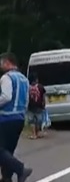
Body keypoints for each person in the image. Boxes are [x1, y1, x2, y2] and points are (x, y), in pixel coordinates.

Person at [0, 53, 33, 182]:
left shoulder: (6, 78)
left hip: (6, 118)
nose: (1, 66)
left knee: (1, 150)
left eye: (2, 63)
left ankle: (20, 169)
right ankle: (7, 178)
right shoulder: (24, 79)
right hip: (19, 119)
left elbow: (6, 97)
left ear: (8, 62)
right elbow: (26, 100)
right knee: (8, 150)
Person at [27, 73, 46, 139]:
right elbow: (43, 96)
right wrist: (44, 104)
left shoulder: (27, 87)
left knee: (31, 121)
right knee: (39, 120)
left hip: (30, 106)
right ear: (37, 79)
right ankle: (38, 133)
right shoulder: (40, 87)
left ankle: (33, 134)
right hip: (39, 106)